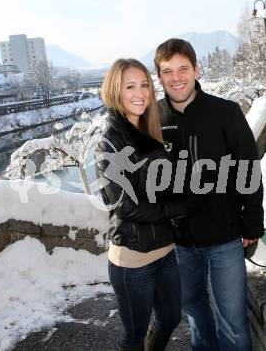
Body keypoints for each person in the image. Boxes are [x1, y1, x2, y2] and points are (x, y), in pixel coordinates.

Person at [154, 39, 265, 351]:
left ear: (196, 69)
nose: (176, 77)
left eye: (183, 69)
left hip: (224, 239)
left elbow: (249, 171)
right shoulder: (154, 120)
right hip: (179, 244)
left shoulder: (225, 112)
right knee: (196, 317)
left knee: (232, 323)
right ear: (159, 77)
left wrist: (252, 225)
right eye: (167, 71)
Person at [95, 58, 186, 351]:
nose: (140, 93)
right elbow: (127, 207)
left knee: (171, 318)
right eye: (130, 86)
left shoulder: (151, 133)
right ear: (115, 92)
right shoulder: (109, 143)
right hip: (133, 259)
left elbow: (164, 186)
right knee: (134, 335)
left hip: (166, 250)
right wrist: (178, 208)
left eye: (145, 85)